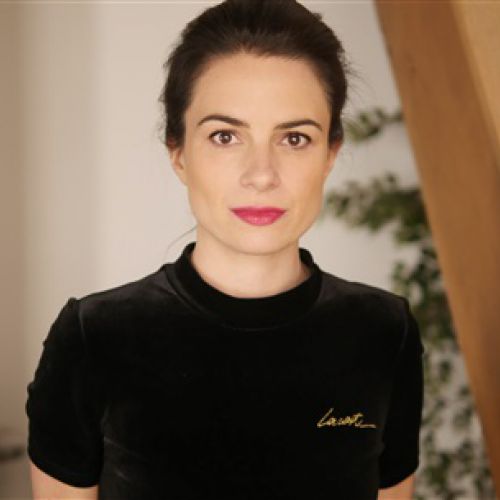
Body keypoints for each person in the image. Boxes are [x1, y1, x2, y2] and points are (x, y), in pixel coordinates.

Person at [25, 0, 425, 499]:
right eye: (225, 136)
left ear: (330, 154)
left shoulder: (385, 334)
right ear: (178, 152)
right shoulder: (93, 339)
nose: (261, 174)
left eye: (295, 138)